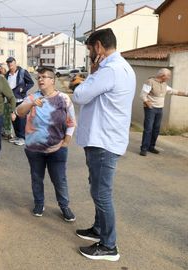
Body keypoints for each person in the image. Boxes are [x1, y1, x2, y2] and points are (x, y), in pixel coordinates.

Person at [72, 28, 135, 262]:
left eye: (89, 49)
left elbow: (79, 96)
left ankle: (109, 246)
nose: (90, 53)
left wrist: (93, 73)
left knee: (101, 193)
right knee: (97, 188)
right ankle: (99, 229)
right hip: (106, 139)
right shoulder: (123, 67)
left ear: (98, 47)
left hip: (103, 141)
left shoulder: (109, 70)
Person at [15, 67, 76, 221]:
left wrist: (66, 141)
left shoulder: (63, 98)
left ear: (52, 80)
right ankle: (39, 203)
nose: (40, 80)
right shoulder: (32, 98)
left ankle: (64, 206)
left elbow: (71, 122)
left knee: (59, 179)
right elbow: (19, 112)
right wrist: (31, 105)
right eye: (39, 77)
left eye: (44, 77)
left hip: (57, 149)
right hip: (34, 149)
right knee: (36, 178)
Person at [139, 68, 188, 156]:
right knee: (148, 129)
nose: (169, 77)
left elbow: (173, 91)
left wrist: (186, 94)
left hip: (159, 109)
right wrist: (147, 102)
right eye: (168, 76)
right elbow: (142, 95)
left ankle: (151, 147)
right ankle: (144, 148)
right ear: (163, 76)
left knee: (156, 129)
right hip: (151, 109)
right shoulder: (150, 81)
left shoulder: (164, 84)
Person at [5, 57, 35, 146]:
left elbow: (31, 83)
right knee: (14, 119)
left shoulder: (22, 72)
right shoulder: (7, 75)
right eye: (9, 64)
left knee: (21, 119)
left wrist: (23, 90)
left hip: (21, 100)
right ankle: (17, 136)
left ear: (15, 63)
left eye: (12, 63)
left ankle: (23, 137)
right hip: (11, 100)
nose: (10, 65)